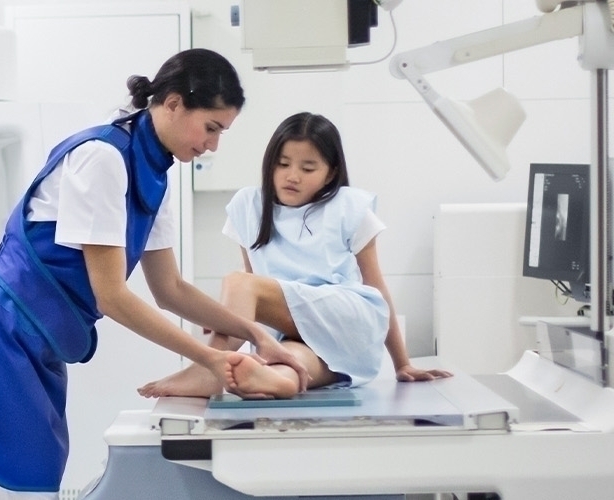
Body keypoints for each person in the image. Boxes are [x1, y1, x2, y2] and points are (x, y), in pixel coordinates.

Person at [0, 48, 311, 499]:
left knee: (36, 480)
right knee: (10, 487)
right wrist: (211, 359)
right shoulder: (102, 158)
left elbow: (169, 289)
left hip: (38, 341)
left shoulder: (153, 171)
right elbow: (111, 297)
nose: (213, 144)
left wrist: (256, 332)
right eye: (211, 127)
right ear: (172, 102)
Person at [138, 112, 451, 400]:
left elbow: (376, 288)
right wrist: (230, 315)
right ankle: (275, 381)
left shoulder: (349, 206)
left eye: (308, 168)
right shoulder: (249, 207)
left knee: (240, 282)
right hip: (294, 334)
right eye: (283, 163)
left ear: (330, 174)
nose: (293, 176)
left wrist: (402, 363)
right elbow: (258, 294)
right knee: (286, 369)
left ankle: (209, 371)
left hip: (346, 319)